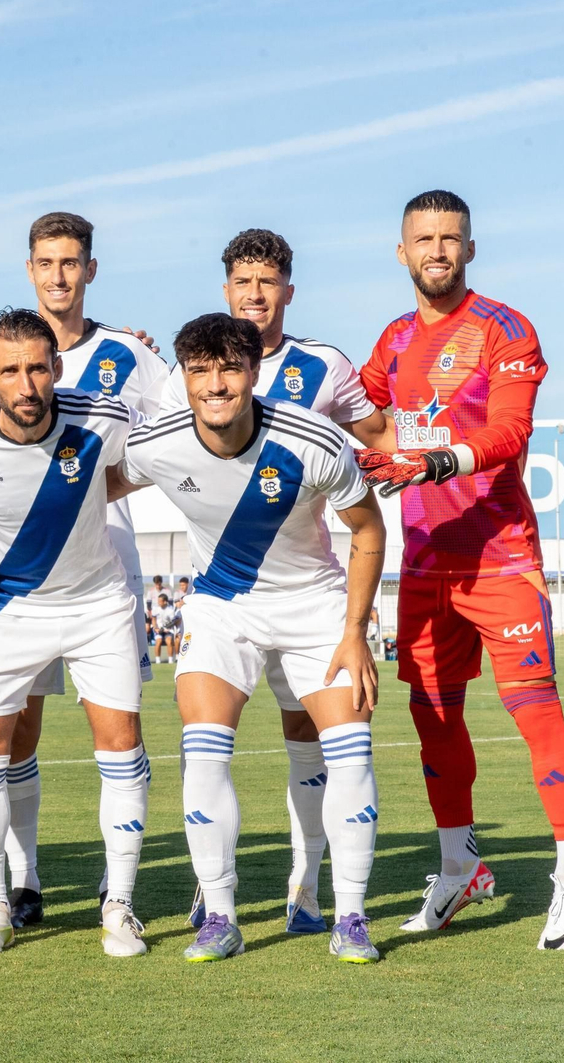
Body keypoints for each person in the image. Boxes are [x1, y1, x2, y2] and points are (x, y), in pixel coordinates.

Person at [357, 190, 564, 951]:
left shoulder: (504, 329)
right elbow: (345, 411)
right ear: (401, 252)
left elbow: (509, 432)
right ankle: (460, 866)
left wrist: (430, 459)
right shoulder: (392, 340)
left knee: (535, 714)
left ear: (469, 247)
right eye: (422, 238)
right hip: (425, 564)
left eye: (449, 238)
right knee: (432, 720)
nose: (436, 250)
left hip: (500, 559)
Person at [110, 312, 387, 963]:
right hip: (222, 606)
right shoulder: (160, 444)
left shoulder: (313, 439)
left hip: (315, 605)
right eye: (200, 371)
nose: (215, 385)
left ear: (254, 372)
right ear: (185, 378)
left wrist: (353, 632)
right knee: (203, 750)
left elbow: (369, 531)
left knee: (349, 748)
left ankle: (350, 917)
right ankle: (221, 916)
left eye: (229, 368)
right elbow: (93, 488)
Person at [158, 228, 395, 935]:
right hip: (226, 592)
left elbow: (380, 439)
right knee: (203, 741)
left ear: (288, 290)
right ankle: (216, 900)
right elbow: (137, 454)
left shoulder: (325, 369)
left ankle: (314, 890)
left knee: (315, 739)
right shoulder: (191, 375)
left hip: (311, 588)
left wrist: (441, 451)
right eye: (242, 282)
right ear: (226, 290)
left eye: (267, 282)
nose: (255, 294)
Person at [0, 212, 170, 928]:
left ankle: (120, 903)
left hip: (102, 571)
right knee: (14, 732)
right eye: (46, 262)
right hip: (11, 582)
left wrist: (96, 484)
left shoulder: (125, 359)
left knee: (117, 732)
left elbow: (175, 433)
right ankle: (19, 882)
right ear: (30, 270)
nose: (59, 274)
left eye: (71, 262)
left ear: (90, 269)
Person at [0, 308, 148, 957]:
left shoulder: (103, 417)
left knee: (121, 742)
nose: (27, 384)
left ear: (58, 368)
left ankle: (119, 908)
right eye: (11, 371)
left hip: (96, 606)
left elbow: (167, 453)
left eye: (38, 368)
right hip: (3, 611)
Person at [152, 594, 180, 663]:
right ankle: (157, 661)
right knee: (158, 641)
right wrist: (156, 628)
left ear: (165, 602)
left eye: (160, 601)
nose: (158, 602)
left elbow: (173, 622)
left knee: (169, 641)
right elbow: (153, 619)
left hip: (168, 630)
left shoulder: (170, 610)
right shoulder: (155, 608)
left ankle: (170, 660)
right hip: (158, 630)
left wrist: (167, 629)